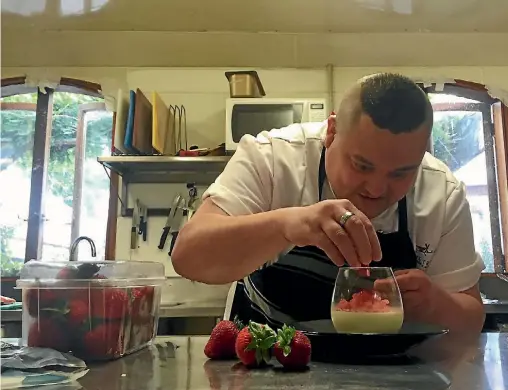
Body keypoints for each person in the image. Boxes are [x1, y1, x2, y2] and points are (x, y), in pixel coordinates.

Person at [172, 72, 485, 333]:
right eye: (361, 165)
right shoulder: (272, 157)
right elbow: (189, 256)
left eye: (402, 173)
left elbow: (472, 318)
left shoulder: (442, 193)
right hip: (263, 369)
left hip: (389, 381)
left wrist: (436, 304)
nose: (377, 189)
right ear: (332, 132)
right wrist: (287, 225)